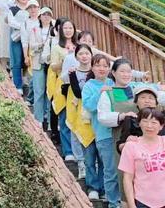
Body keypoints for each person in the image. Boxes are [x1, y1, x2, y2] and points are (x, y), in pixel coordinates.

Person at [82, 54, 116, 206]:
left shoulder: (112, 82)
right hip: (101, 131)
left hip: (116, 131)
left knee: (112, 167)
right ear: (92, 67)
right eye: (98, 65)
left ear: (109, 69)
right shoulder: (89, 85)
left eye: (105, 65)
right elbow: (89, 105)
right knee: (106, 166)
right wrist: (101, 91)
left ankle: (108, 193)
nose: (102, 68)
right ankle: (110, 199)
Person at [119, 108, 165, 208]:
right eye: (145, 121)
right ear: (139, 123)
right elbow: (127, 178)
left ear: (161, 126)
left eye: (154, 122)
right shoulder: (131, 146)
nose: (149, 126)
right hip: (143, 201)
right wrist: (131, 205)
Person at [62, 44, 94, 182]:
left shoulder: (95, 71)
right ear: (76, 56)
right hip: (76, 107)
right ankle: (81, 163)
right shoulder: (72, 72)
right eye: (81, 54)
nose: (84, 56)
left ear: (91, 55)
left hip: (91, 110)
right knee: (76, 134)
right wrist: (70, 73)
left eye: (87, 53)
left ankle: (91, 165)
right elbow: (63, 79)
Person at [50, 18, 78, 161]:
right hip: (63, 85)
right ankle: (67, 151)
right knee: (64, 117)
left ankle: (78, 152)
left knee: (76, 118)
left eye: (70, 28)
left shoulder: (79, 47)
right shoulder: (56, 47)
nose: (68, 30)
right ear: (61, 30)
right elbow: (53, 66)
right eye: (65, 28)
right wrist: (65, 60)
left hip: (77, 85)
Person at [21, 0, 48, 123]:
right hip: (36, 59)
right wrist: (26, 56)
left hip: (49, 62)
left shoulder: (50, 26)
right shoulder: (27, 24)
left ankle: (47, 117)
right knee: (38, 89)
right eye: (30, 7)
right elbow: (26, 42)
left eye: (35, 7)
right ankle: (39, 119)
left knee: (48, 90)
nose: (33, 9)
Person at [117, 86, 165, 153]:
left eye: (151, 98)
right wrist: (127, 143)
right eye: (143, 97)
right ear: (136, 102)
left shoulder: (163, 117)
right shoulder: (131, 118)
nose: (147, 101)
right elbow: (120, 146)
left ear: (156, 103)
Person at [7, 0, 30, 94]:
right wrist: (23, 27)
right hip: (17, 38)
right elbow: (10, 22)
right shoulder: (13, 9)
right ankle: (18, 85)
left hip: (30, 39)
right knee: (16, 61)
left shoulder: (32, 9)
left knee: (28, 60)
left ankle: (26, 80)